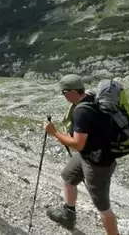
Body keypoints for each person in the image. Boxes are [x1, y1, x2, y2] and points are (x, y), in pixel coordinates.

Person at [43, 74, 119, 235]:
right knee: (68, 176)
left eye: (63, 92)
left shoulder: (82, 111)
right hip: (89, 153)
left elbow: (78, 143)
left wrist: (54, 132)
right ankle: (68, 215)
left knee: (102, 206)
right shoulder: (92, 99)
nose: (63, 96)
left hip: (98, 162)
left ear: (71, 91)